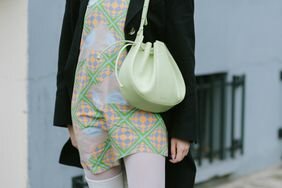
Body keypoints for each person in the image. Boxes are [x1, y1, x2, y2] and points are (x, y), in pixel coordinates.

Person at [53, 0, 198, 187]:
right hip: (89, 109)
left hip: (143, 109)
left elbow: (184, 53)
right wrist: (67, 117)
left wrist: (183, 128)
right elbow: (67, 43)